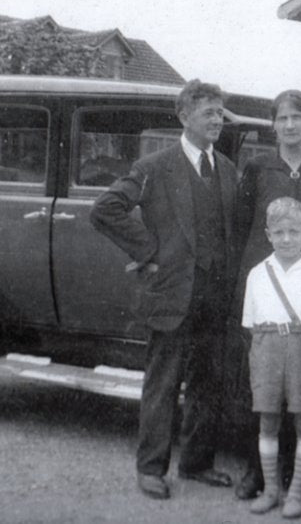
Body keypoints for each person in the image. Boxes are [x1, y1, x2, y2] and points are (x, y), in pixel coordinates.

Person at [90, 79, 238, 500]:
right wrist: (148, 249)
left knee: (207, 382)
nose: (216, 120)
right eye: (208, 112)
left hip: (214, 296)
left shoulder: (226, 169)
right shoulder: (155, 166)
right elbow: (105, 210)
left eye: (219, 112)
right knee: (164, 383)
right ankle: (151, 468)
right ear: (183, 116)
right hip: (171, 292)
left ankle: (197, 463)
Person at [233, 89, 301, 501]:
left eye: (298, 117)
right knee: (261, 390)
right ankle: (258, 472)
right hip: (265, 287)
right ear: (273, 125)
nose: (290, 125)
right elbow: (239, 229)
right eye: (282, 118)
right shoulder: (257, 167)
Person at [241, 197, 301, 518]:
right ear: (268, 234)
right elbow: (251, 325)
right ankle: (270, 489)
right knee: (268, 419)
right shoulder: (257, 274)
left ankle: (295, 493)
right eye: (279, 232)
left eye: (294, 232)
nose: (287, 239)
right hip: (266, 347)